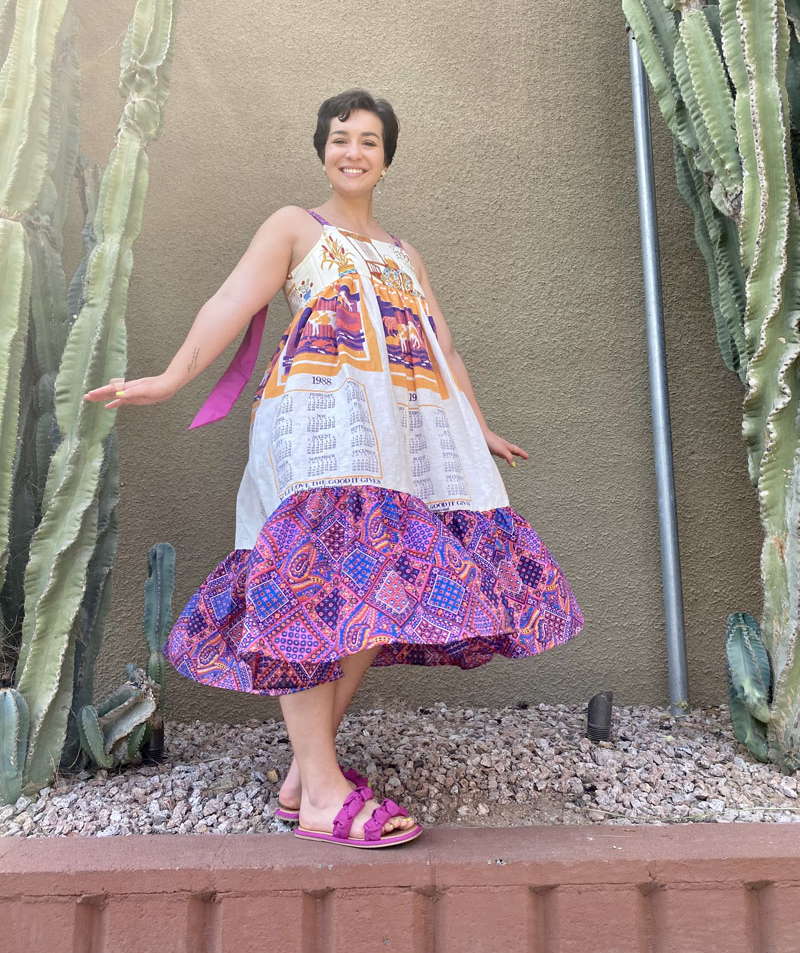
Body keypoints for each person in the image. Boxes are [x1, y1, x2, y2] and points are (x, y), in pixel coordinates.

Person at [85, 88, 584, 849]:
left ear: (387, 158)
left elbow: (443, 346)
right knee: (310, 589)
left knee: (378, 591)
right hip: (320, 433)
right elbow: (230, 300)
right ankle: (322, 792)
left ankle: (305, 779)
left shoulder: (404, 253)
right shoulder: (295, 227)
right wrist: (168, 379)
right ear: (323, 149)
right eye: (341, 138)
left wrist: (476, 425)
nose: (354, 151)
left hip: (399, 440)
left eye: (369, 141)